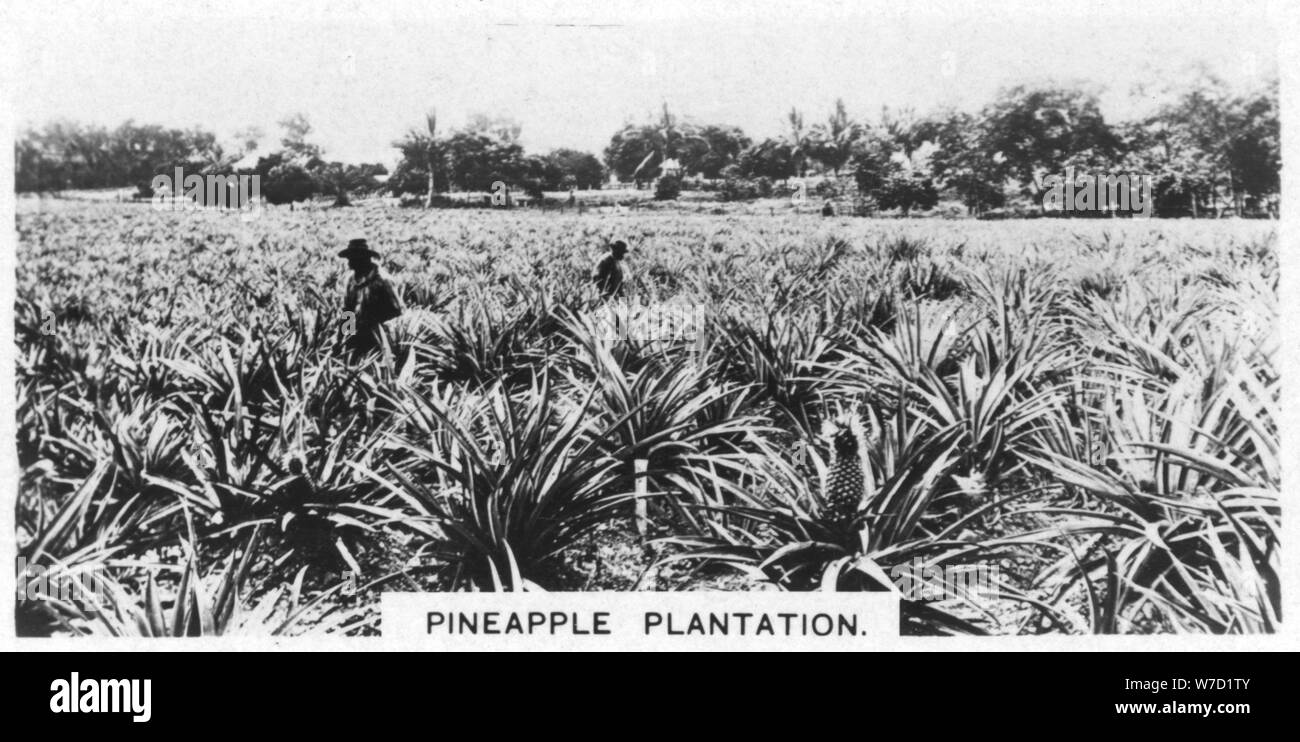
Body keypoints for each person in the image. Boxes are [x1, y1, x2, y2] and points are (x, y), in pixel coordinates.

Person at [339, 238, 403, 358]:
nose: (349, 263)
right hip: (357, 337)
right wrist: (343, 338)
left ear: (362, 258)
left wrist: (371, 321)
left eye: (352, 259)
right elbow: (348, 311)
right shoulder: (351, 281)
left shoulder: (383, 280)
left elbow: (397, 311)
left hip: (380, 339)